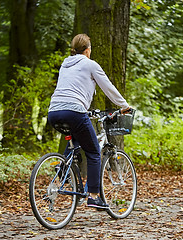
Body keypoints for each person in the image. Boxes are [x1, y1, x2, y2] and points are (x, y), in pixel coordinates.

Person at [47, 33, 131, 209]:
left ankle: (63, 169)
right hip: (74, 111)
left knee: (75, 142)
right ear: (87, 50)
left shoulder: (65, 64)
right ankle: (93, 196)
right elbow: (108, 87)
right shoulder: (90, 64)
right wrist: (123, 105)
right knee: (93, 153)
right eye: (90, 48)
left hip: (54, 112)